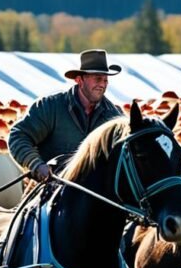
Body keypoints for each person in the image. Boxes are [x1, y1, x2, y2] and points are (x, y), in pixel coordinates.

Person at [9, 49, 124, 181]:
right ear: (79, 80)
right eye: (98, 78)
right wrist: (37, 165)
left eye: (105, 80)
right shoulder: (50, 107)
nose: (102, 85)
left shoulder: (114, 117)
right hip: (50, 188)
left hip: (96, 194)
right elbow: (18, 136)